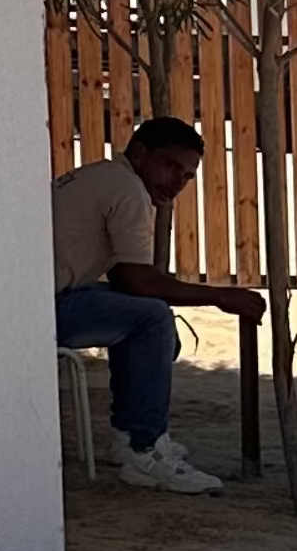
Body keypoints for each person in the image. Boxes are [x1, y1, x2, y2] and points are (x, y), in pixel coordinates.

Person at [52, 116, 264, 493]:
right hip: (35, 311)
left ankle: (129, 437)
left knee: (148, 316)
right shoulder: (128, 190)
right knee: (150, 318)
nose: (177, 181)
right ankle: (143, 449)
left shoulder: (102, 175)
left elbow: (124, 279)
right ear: (139, 153)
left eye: (187, 176)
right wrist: (220, 296)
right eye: (169, 165)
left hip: (32, 299)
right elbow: (139, 281)